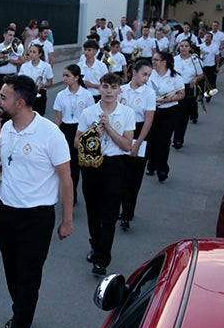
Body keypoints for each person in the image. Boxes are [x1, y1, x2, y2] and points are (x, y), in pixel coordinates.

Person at [0, 75, 73, 328]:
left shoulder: (50, 134)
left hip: (37, 218)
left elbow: (66, 179)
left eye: (3, 97)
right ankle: (20, 311)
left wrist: (67, 220)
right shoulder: (7, 128)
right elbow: (6, 165)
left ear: (19, 102)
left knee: (28, 279)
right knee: (12, 272)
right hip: (5, 213)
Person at [77, 73, 135, 276]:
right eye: (105, 86)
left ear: (120, 90)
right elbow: (77, 142)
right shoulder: (88, 112)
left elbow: (128, 145)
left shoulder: (127, 113)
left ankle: (102, 258)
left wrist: (108, 128)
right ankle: (96, 245)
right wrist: (93, 135)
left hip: (114, 164)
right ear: (99, 89)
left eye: (113, 87)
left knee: (109, 214)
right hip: (91, 165)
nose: (108, 91)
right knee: (92, 210)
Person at [118, 59, 155, 231]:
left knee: (133, 177)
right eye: (144, 74)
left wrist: (138, 143)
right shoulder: (122, 90)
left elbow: (148, 119)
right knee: (119, 174)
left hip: (139, 132)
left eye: (149, 75)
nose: (146, 78)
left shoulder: (149, 93)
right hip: (122, 132)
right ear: (134, 72)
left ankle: (127, 213)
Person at [53, 65, 94, 205]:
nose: (64, 78)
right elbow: (58, 117)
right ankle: (72, 193)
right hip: (66, 130)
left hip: (81, 130)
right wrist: (55, 133)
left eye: (67, 76)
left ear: (76, 78)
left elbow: (90, 116)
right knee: (70, 165)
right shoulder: (60, 95)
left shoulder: (86, 95)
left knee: (80, 164)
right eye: (63, 75)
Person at [144, 51, 184, 182]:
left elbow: (181, 94)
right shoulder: (149, 75)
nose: (153, 62)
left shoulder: (175, 76)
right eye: (153, 59)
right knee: (151, 139)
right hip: (152, 111)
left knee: (164, 141)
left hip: (169, 112)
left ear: (164, 62)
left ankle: (162, 169)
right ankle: (151, 164)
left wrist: (168, 99)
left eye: (156, 60)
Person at [172, 40, 205, 148]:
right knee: (175, 114)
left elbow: (201, 74)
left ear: (190, 48)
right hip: (176, 88)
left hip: (189, 88)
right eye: (181, 46)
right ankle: (174, 136)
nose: (183, 48)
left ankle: (178, 139)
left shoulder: (195, 60)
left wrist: (195, 79)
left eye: (186, 46)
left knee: (183, 115)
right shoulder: (174, 60)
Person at [17, 43, 53, 117]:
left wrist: (43, 85)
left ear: (40, 54)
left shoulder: (46, 66)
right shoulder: (24, 66)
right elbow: (20, 80)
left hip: (40, 94)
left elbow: (50, 82)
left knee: (39, 116)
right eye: (30, 52)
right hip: (27, 94)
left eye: (34, 52)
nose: (31, 54)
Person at [0, 27, 22, 95]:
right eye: (10, 35)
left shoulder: (18, 48)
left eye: (13, 35)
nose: (11, 37)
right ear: (4, 35)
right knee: (0, 97)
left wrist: (9, 59)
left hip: (12, 76)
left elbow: (21, 61)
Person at [198, 32, 219, 99]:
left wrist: (217, 66)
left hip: (211, 67)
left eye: (209, 37)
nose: (207, 38)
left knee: (209, 83)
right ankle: (201, 95)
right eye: (206, 37)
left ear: (211, 38)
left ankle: (208, 95)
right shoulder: (200, 46)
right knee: (201, 82)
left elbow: (217, 57)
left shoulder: (215, 47)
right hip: (202, 67)